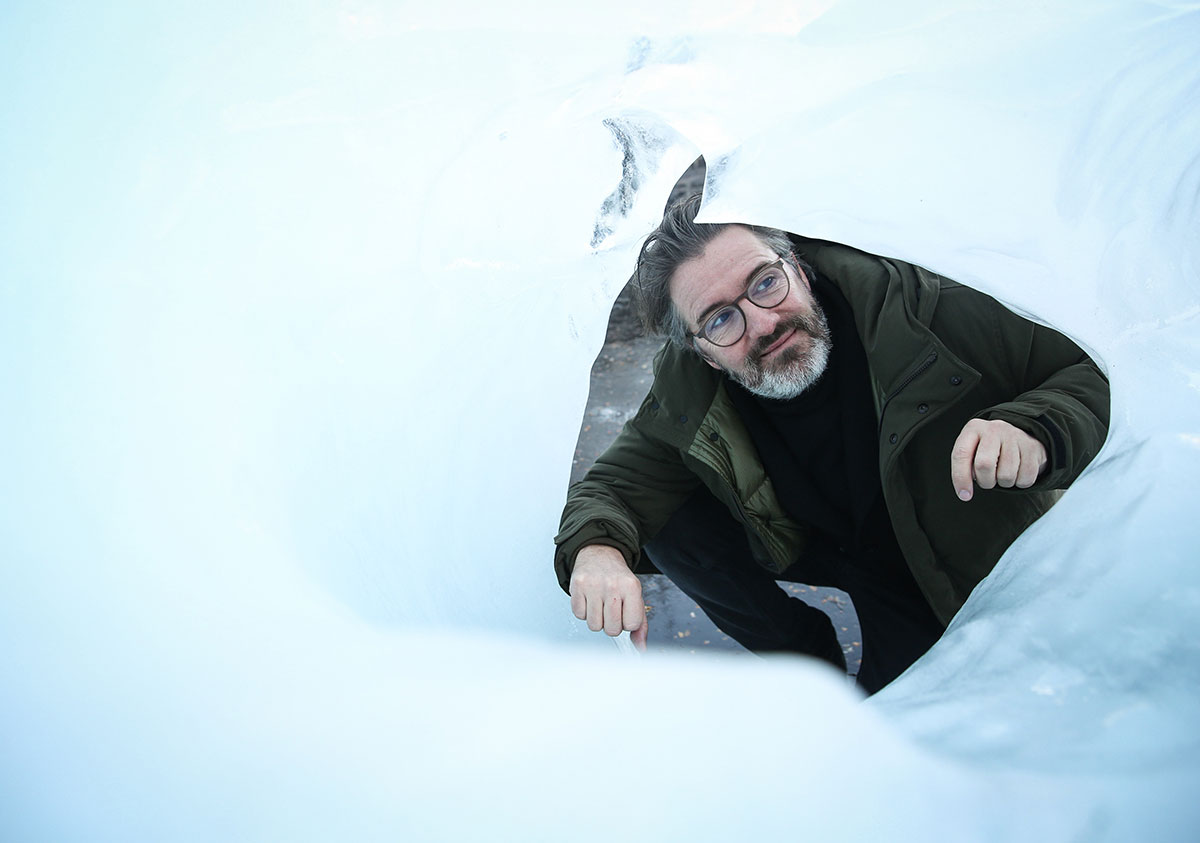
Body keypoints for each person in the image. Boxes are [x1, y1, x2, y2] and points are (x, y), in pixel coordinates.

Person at [554, 193, 1110, 693]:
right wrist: (596, 551)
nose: (763, 324)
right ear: (703, 352)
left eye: (765, 283)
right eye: (723, 320)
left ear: (797, 266)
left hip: (973, 575)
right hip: (853, 567)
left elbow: (1101, 370)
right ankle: (804, 665)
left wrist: (1034, 427)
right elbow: (616, 485)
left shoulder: (926, 310)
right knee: (668, 522)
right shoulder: (691, 386)